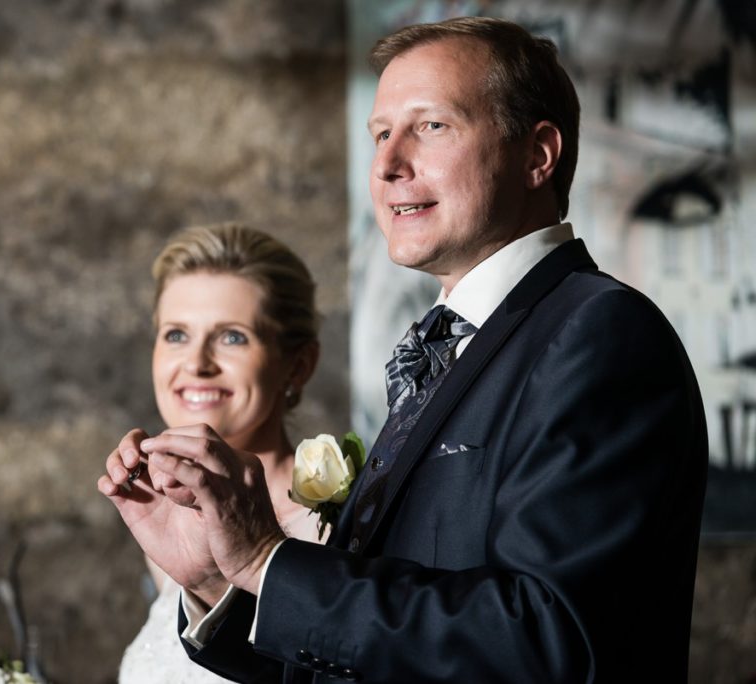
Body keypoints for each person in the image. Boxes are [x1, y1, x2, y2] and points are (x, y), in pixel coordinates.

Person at [100, 16, 708, 683]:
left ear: (538, 155)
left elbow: (551, 640)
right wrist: (221, 581)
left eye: (431, 127)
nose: (388, 166)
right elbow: (375, 658)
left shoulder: (600, 333)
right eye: (381, 134)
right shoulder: (452, 344)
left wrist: (269, 562)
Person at [112, 224, 324, 684]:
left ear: (298, 364)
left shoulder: (340, 524)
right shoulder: (171, 512)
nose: (196, 364)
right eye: (175, 335)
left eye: (232, 337)